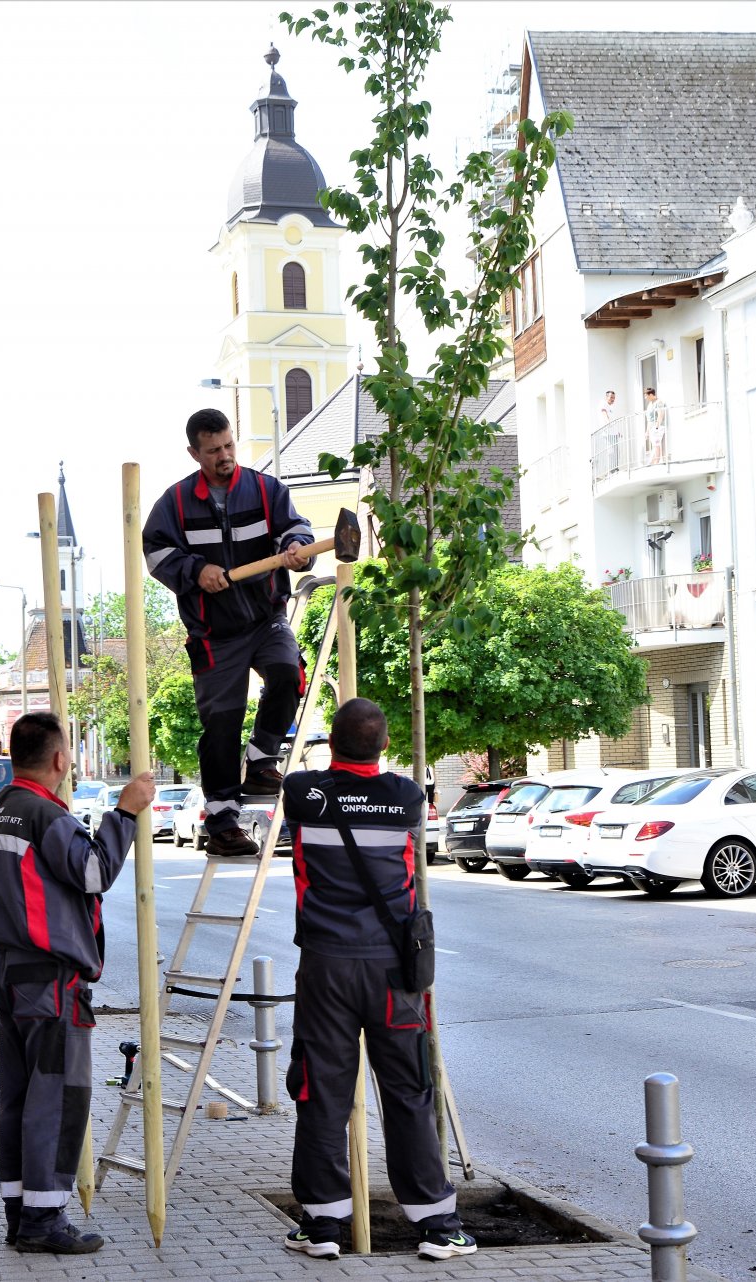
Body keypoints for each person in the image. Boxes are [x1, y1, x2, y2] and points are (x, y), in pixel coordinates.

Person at [279, 699, 475, 1262]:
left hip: (325, 968)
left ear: (332, 745)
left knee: (321, 1092)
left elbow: (299, 781)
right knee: (409, 1092)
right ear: (385, 746)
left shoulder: (303, 793)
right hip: (394, 972)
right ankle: (437, 1225)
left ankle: (321, 1227)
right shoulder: (409, 798)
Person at [0, 712, 154, 1254]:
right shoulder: (44, 814)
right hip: (48, 982)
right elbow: (94, 873)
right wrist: (123, 812)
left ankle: (19, 1212)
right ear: (59, 759)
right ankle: (43, 1222)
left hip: (8, 972)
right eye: (70, 751)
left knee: (21, 1098)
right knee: (56, 1098)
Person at [142, 407, 315, 858]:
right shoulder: (175, 504)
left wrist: (295, 548)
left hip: (266, 617)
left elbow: (295, 528)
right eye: (214, 450)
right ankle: (222, 823)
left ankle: (261, 761)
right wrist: (196, 571)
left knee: (286, 673)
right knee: (221, 723)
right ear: (194, 452)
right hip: (212, 632)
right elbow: (156, 552)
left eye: (229, 446)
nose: (225, 456)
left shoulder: (264, 489)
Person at [643, 387, 667, 465]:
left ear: (651, 395)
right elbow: (649, 420)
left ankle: (656, 462)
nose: (645, 398)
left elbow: (661, 415)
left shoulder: (658, 402)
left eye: (646, 396)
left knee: (656, 445)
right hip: (651, 428)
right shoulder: (650, 404)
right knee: (654, 445)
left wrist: (657, 427)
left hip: (657, 427)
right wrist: (647, 432)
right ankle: (653, 462)